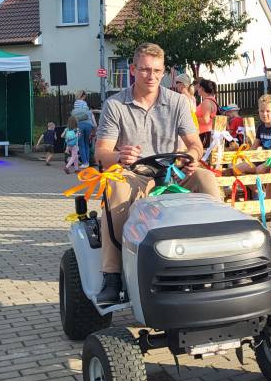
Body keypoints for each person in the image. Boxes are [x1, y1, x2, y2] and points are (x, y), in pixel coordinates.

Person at [93, 43, 220, 304]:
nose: (151, 76)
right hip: (134, 173)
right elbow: (101, 153)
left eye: (157, 71)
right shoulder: (115, 105)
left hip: (171, 172)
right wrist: (119, 156)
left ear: (164, 72)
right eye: (145, 70)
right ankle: (112, 274)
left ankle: (216, 259)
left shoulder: (177, 102)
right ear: (133, 70)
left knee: (206, 178)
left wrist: (192, 157)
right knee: (115, 187)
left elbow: (195, 144)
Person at [71, 91, 96, 169]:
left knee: (81, 144)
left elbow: (76, 114)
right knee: (86, 144)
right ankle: (87, 162)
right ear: (83, 96)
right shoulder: (85, 103)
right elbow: (87, 113)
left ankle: (85, 162)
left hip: (79, 124)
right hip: (88, 124)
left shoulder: (76, 103)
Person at [195, 78, 219, 147]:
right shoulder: (212, 99)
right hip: (207, 132)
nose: (197, 89)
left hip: (204, 134)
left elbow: (206, 120)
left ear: (202, 88)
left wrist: (192, 117)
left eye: (199, 87)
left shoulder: (206, 102)